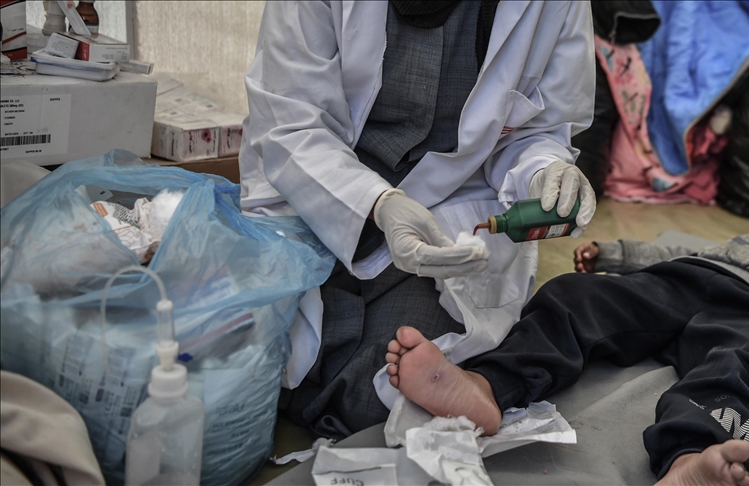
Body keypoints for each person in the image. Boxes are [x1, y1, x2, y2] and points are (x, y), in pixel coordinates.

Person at [239, 1, 597, 438]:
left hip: (447, 214)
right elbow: (289, 122)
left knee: (380, 398)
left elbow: (537, 129)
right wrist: (377, 202)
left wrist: (543, 169)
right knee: (251, 358)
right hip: (314, 196)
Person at [386, 232, 749, 485]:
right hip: (690, 275)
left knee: (742, 363)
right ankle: (489, 384)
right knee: (581, 296)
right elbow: (679, 248)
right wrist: (615, 254)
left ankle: (692, 459)